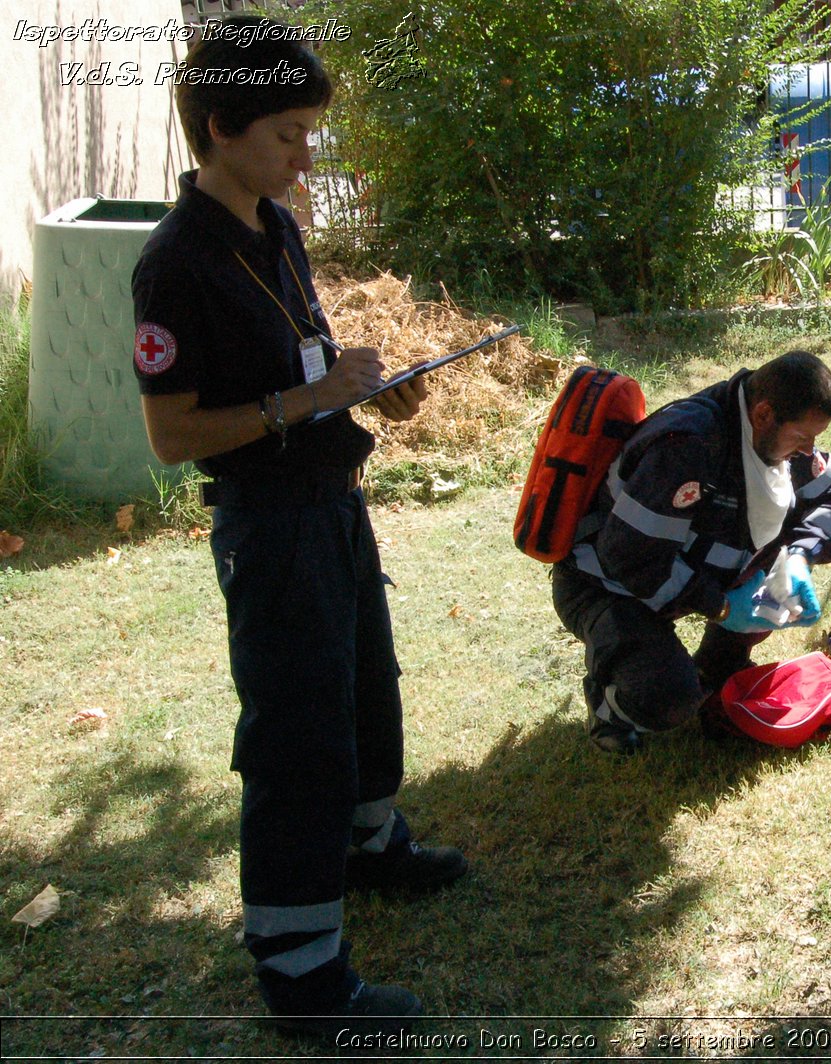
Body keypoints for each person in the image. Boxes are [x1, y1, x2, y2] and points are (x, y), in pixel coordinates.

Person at [132, 16, 464, 1034]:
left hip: (330, 499)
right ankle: (299, 967)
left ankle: (370, 845)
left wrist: (365, 388)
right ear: (221, 127)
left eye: (311, 131)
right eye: (288, 133)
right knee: (297, 733)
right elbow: (172, 435)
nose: (305, 154)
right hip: (268, 522)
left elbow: (298, 353)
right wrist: (310, 403)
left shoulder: (273, 224)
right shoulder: (174, 265)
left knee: (365, 686)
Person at [551, 350, 831, 753]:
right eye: (802, 437)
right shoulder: (687, 446)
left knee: (762, 598)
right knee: (668, 697)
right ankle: (610, 706)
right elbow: (630, 557)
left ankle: (716, 668)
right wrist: (723, 607)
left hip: (679, 568)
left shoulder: (766, 432)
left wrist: (798, 556)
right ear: (764, 414)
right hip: (604, 582)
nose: (808, 450)